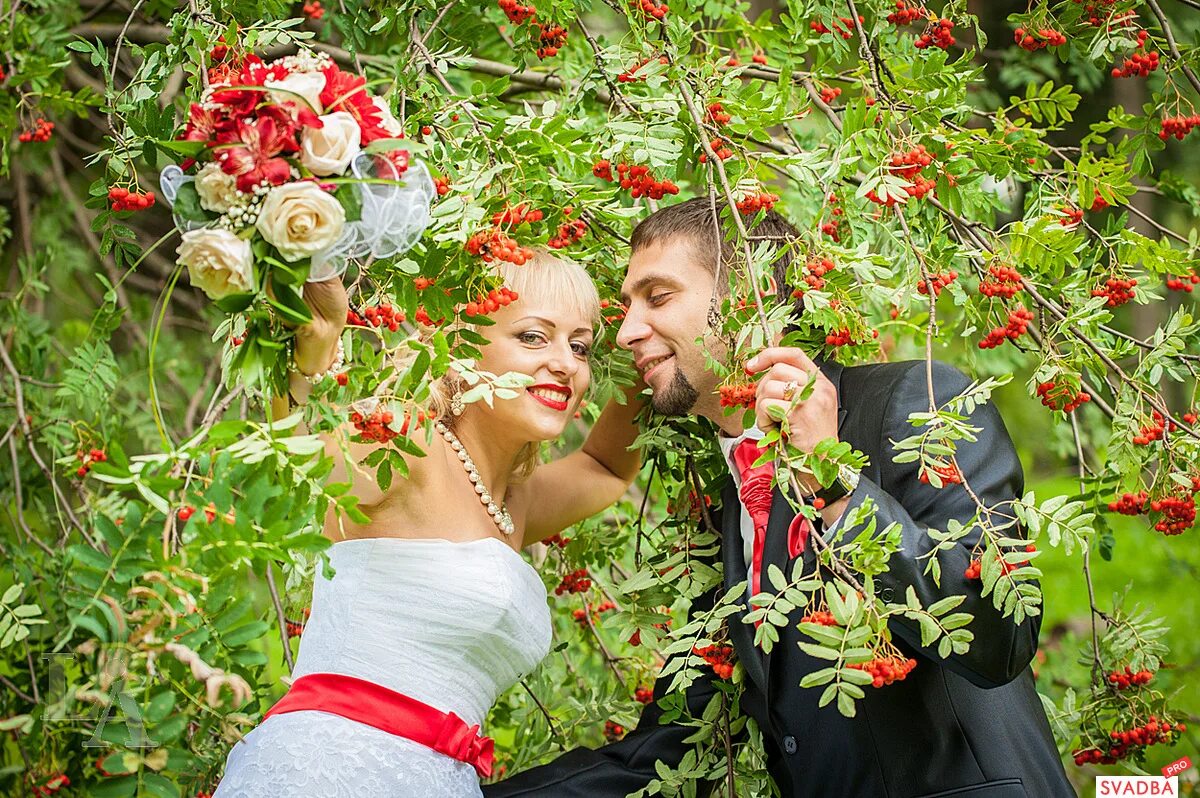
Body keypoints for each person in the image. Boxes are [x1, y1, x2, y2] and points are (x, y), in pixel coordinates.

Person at [485, 198, 1075, 797]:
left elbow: (1001, 634)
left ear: (752, 294)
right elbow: (674, 745)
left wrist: (832, 484)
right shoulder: (726, 500)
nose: (627, 331)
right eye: (627, 306)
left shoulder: (916, 405)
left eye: (657, 298)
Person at [213, 251, 645, 797]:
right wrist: (311, 354)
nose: (566, 363)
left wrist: (651, 341)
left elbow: (605, 468)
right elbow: (300, 469)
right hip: (332, 770)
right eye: (535, 337)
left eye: (580, 346)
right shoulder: (409, 441)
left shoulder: (515, 500)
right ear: (461, 343)